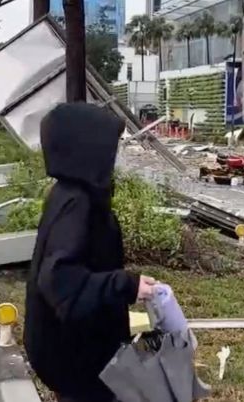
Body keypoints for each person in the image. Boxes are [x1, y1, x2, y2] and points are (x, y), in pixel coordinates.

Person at [25, 103, 156, 402]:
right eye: (111, 146)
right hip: (74, 355)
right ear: (88, 149)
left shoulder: (71, 193)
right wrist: (127, 285)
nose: (115, 155)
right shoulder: (76, 203)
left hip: (72, 347)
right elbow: (60, 279)